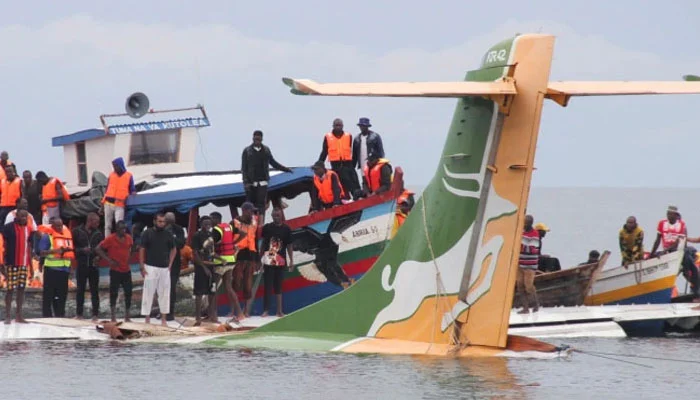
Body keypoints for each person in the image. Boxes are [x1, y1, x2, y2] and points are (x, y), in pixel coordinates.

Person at [241, 130, 292, 213]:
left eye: (259, 139)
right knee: (250, 204)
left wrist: (286, 169)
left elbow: (273, 163)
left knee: (261, 204)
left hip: (263, 181)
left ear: (262, 139)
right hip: (251, 182)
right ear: (253, 138)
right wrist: (245, 182)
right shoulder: (247, 151)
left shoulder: (266, 150)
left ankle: (261, 220)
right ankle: (252, 219)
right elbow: (244, 168)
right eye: (255, 139)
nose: (257, 141)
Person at [139, 212, 176, 326]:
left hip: (164, 268)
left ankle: (164, 320)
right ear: (154, 221)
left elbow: (174, 249)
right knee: (148, 293)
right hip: (150, 266)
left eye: (163, 222)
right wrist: (142, 266)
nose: (162, 224)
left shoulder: (168, 234)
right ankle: (147, 319)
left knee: (164, 294)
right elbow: (142, 249)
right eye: (160, 221)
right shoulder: (147, 233)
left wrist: (170, 264)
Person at [209, 211, 246, 319]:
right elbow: (244, 233)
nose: (210, 221)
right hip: (231, 261)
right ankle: (240, 313)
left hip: (221, 262)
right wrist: (234, 243)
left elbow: (210, 245)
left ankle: (213, 315)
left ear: (216, 219)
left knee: (213, 288)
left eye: (211, 219)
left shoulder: (216, 230)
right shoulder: (229, 227)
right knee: (229, 287)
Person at [95, 220, 134, 322]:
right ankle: (113, 316)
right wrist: (109, 260)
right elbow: (98, 249)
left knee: (128, 292)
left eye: (124, 228)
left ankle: (127, 316)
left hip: (126, 270)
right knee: (113, 293)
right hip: (115, 270)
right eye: (121, 229)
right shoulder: (110, 238)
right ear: (117, 229)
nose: (123, 231)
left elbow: (132, 248)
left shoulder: (129, 238)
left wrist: (128, 258)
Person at [39, 216, 75, 318]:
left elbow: (70, 253)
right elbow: (41, 252)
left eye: (61, 226)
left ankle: (60, 315)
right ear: (52, 226)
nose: (60, 228)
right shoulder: (47, 236)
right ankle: (47, 316)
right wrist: (55, 251)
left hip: (64, 270)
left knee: (62, 295)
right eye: (57, 226)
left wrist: (71, 267)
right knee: (49, 295)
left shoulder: (67, 236)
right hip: (51, 269)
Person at [260, 208, 294, 317]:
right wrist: (260, 259)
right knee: (268, 285)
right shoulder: (267, 228)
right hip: (269, 259)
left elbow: (289, 245)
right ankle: (266, 310)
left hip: (281, 260)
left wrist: (291, 260)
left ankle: (279, 311)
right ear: (271, 216)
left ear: (281, 216)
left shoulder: (286, 229)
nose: (276, 217)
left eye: (278, 215)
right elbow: (263, 243)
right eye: (274, 215)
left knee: (278, 286)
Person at [72, 212, 104, 321]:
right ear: (89, 221)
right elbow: (72, 248)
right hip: (82, 264)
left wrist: (98, 257)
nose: (98, 224)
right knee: (80, 289)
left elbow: (103, 249)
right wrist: (82, 250)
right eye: (96, 222)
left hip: (94, 266)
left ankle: (95, 314)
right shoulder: (77, 231)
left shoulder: (99, 234)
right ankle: (79, 314)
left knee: (94, 290)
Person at [2, 210, 32, 324]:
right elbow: (3, 244)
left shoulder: (28, 229)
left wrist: (31, 266)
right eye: (22, 216)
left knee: (21, 288)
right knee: (10, 289)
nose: (24, 218)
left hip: (24, 263)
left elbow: (29, 246)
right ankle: (8, 316)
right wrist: (3, 262)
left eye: (25, 216)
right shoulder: (8, 228)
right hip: (12, 262)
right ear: (16, 216)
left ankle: (19, 315)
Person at [317, 118, 360, 198]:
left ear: (342, 126)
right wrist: (319, 164)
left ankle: (359, 197)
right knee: (342, 185)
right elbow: (324, 152)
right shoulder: (328, 137)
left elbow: (353, 151)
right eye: (336, 125)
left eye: (340, 125)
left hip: (348, 164)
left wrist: (353, 165)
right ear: (333, 126)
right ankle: (346, 199)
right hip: (336, 166)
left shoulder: (348, 136)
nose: (338, 127)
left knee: (354, 182)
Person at [233, 202, 259, 318]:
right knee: (236, 283)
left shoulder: (254, 223)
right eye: (250, 211)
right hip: (238, 256)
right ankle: (234, 310)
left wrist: (257, 259)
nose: (252, 213)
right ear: (244, 211)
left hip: (250, 256)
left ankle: (246, 311)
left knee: (248, 285)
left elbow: (255, 240)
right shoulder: (234, 223)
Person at [190, 216, 217, 325]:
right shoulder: (197, 235)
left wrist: (220, 260)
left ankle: (212, 315)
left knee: (212, 292)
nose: (207, 226)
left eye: (209, 224)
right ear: (201, 224)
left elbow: (212, 252)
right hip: (201, 267)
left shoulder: (211, 235)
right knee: (199, 292)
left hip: (211, 265)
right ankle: (198, 317)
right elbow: (195, 253)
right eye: (205, 224)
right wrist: (204, 268)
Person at [101, 157, 135, 238]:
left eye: (116, 166)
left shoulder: (129, 176)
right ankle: (107, 240)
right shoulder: (111, 175)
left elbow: (132, 190)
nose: (115, 168)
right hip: (108, 203)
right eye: (114, 166)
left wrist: (132, 196)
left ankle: (119, 240)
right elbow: (107, 190)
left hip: (119, 204)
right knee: (107, 226)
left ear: (120, 165)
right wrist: (102, 204)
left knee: (119, 225)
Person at [164, 212, 186, 321]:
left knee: (171, 287)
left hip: (174, 263)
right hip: (162, 262)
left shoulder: (179, 229)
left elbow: (181, 244)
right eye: (168, 221)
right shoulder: (161, 229)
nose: (169, 223)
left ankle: (170, 312)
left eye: (171, 221)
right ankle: (162, 311)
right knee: (161, 288)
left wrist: (171, 237)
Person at [516, 215, 540, 314]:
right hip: (520, 263)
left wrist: (520, 243)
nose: (523, 225)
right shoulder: (521, 232)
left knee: (529, 286)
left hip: (530, 265)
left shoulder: (535, 233)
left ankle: (536, 304)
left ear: (529, 223)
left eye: (525, 223)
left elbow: (532, 249)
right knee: (520, 286)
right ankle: (525, 308)